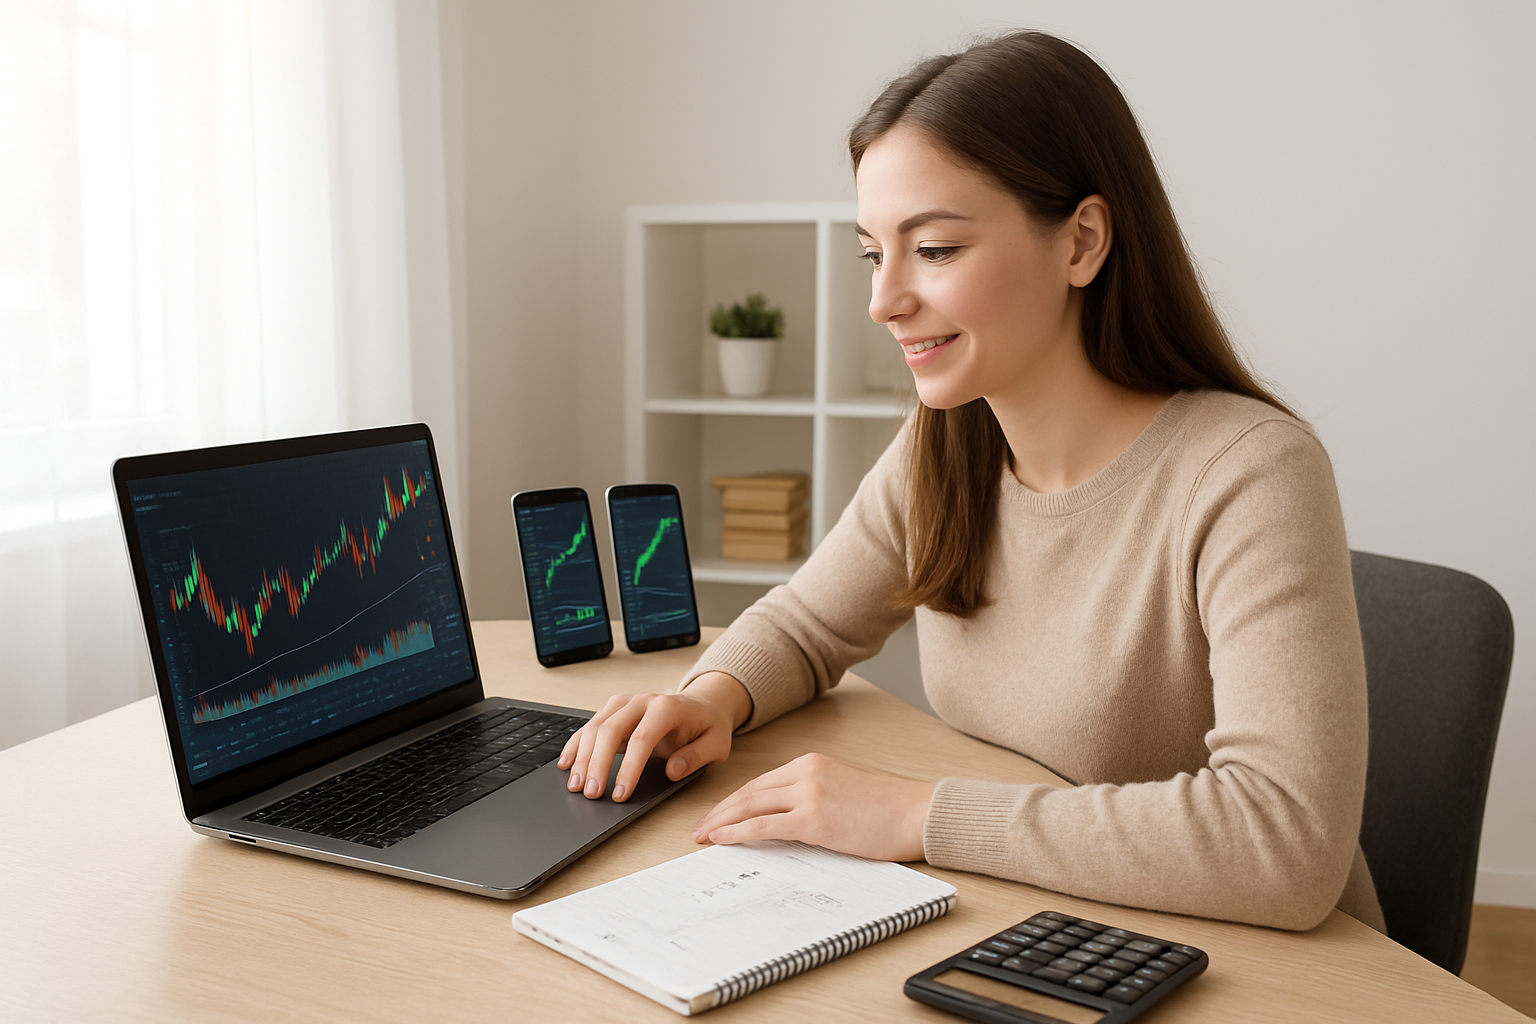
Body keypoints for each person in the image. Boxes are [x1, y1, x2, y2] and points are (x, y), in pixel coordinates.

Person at [560, 30, 1384, 932]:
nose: (884, 301)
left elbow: (1287, 842)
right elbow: (808, 623)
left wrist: (919, 815)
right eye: (875, 253)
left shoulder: (1250, 474)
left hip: (1252, 960)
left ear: (1082, 242)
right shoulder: (948, 443)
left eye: (937, 250)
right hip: (1046, 917)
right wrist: (709, 699)